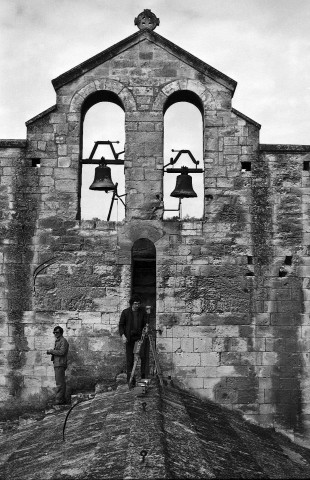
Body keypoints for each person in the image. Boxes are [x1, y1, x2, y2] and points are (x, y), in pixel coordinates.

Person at [119, 295, 148, 386]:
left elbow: (146, 323)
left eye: (138, 304)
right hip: (130, 340)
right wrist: (123, 335)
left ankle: (143, 381)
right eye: (135, 304)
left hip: (140, 340)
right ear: (131, 304)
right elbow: (121, 325)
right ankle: (131, 382)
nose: (137, 305)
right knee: (130, 361)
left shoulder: (142, 312)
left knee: (143, 359)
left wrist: (146, 328)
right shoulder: (125, 312)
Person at [47, 326, 69, 405]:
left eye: (57, 332)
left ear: (61, 333)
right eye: (54, 332)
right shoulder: (58, 341)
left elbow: (62, 352)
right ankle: (61, 399)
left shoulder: (63, 341)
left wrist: (51, 351)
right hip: (57, 363)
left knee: (60, 383)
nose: (55, 334)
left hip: (60, 363)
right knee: (59, 382)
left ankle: (59, 400)